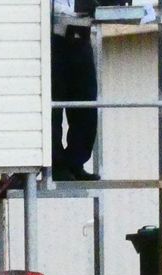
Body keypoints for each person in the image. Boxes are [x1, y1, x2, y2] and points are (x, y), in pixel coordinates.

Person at [51, 1, 99, 181]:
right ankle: (55, 164)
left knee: (85, 103)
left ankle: (75, 162)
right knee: (53, 105)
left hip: (81, 36)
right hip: (53, 38)